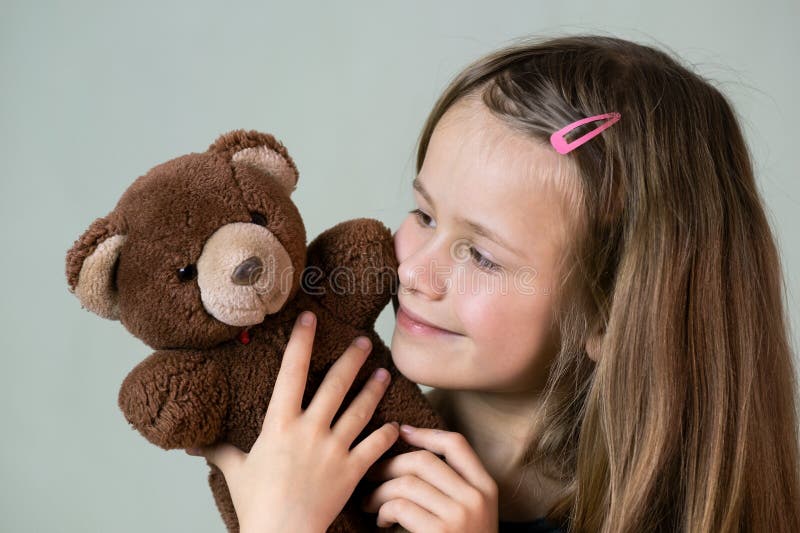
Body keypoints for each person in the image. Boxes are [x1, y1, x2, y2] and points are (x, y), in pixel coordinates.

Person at [185, 34, 800, 532]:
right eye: (423, 214)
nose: (415, 271)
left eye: (481, 256)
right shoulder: (326, 461)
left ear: (611, 316)